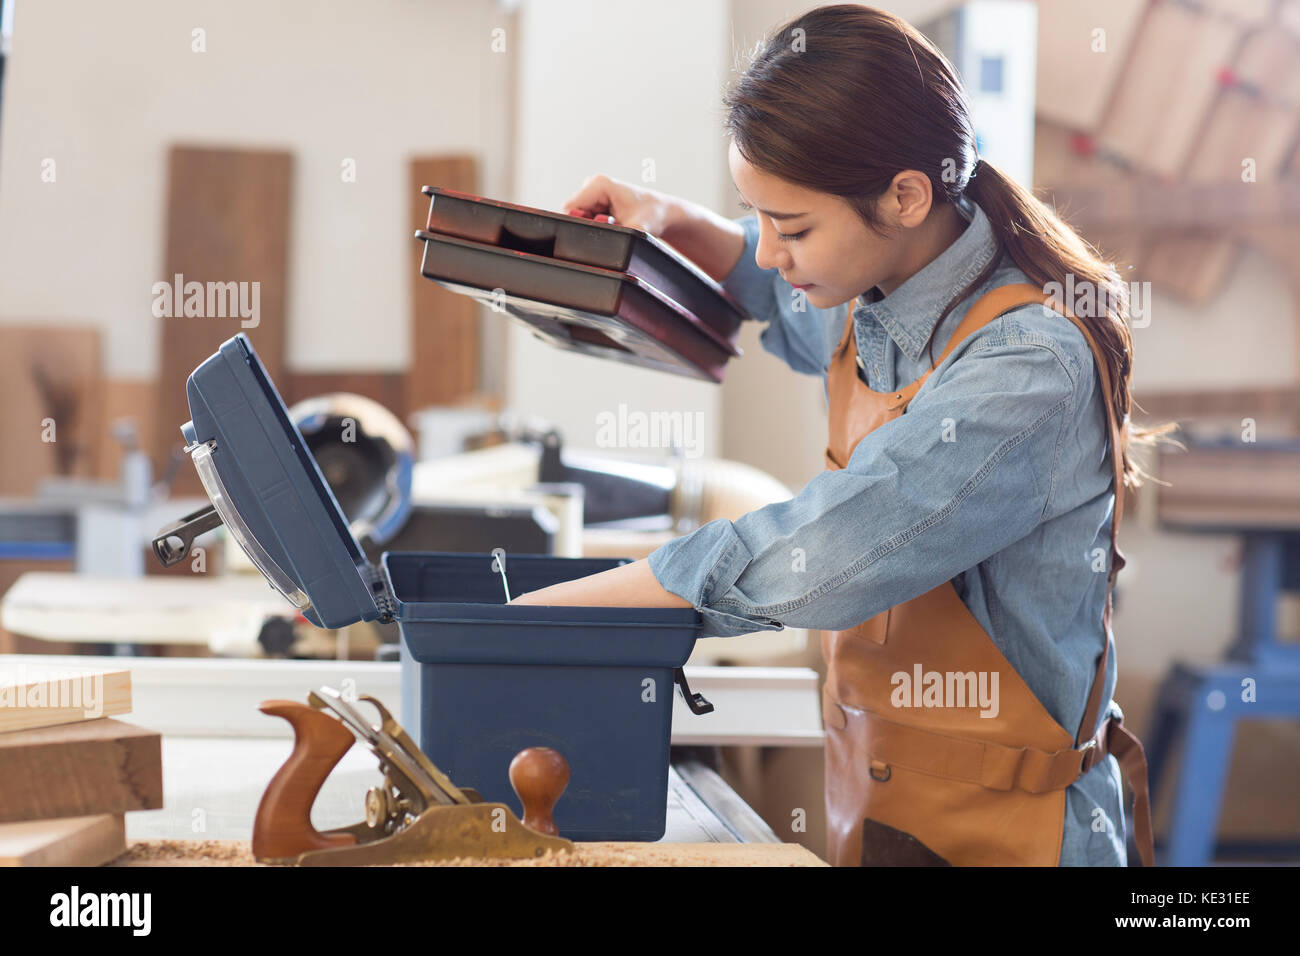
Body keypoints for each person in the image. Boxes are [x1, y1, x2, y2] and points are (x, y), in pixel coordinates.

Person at [509, 3, 1174, 866]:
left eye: (792, 228)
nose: (774, 254)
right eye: (761, 218)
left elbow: (825, 553)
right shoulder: (877, 283)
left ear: (904, 195)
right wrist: (674, 221)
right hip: (883, 801)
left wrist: (547, 612)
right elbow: (769, 277)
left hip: (1014, 835)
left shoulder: (1026, 365)